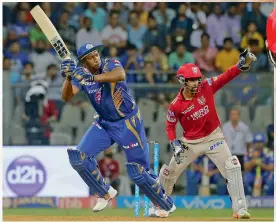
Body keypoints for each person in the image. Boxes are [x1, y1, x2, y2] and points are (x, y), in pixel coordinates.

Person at [60, 42, 175, 217]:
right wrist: (68, 77)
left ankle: (164, 204)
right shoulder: (80, 74)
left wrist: (90, 78)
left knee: (138, 172)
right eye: (90, 57)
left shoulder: (110, 64)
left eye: (96, 54)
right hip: (104, 123)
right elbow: (66, 96)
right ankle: (104, 192)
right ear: (84, 62)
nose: (96, 58)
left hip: (127, 123)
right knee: (79, 158)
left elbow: (120, 75)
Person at [154, 49, 257, 219]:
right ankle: (160, 206)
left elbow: (225, 76)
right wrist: (175, 143)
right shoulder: (175, 105)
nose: (196, 83)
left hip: (213, 137)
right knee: (168, 173)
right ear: (182, 81)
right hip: (190, 142)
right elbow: (170, 127)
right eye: (191, 80)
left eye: (197, 79)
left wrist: (240, 65)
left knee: (233, 166)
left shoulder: (206, 86)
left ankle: (240, 209)